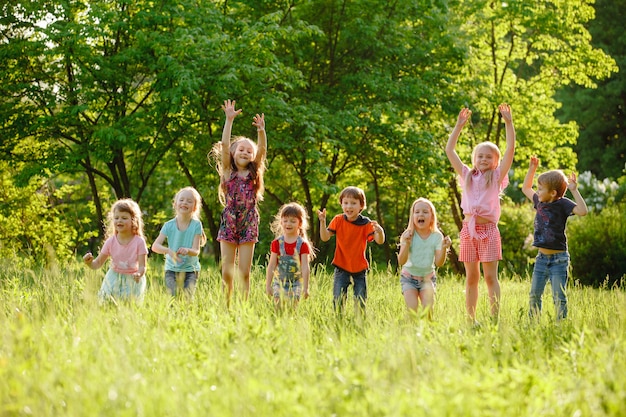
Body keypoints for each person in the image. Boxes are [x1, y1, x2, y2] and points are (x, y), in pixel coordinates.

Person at [445, 104, 515, 323]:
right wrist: (458, 126)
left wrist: (508, 123)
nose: (483, 160)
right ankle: (470, 319)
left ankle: (494, 318)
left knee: (490, 277)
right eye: (480, 156)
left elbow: (511, 151)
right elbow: (450, 151)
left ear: (495, 161)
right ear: (475, 158)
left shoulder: (495, 177)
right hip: (468, 231)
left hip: (488, 231)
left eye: (488, 157)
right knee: (471, 278)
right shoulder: (466, 175)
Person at [210, 99, 266, 305]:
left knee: (244, 272)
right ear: (234, 153)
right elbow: (224, 145)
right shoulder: (228, 171)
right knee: (227, 271)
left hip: (249, 221)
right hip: (229, 221)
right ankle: (227, 304)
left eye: (248, 151)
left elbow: (262, 150)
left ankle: (243, 306)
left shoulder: (254, 174)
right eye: (241, 149)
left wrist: (261, 131)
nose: (245, 152)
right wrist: (229, 119)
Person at [522, 156, 588, 320]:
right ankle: (533, 324)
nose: (537, 191)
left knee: (559, 296)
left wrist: (573, 189)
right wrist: (532, 169)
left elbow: (583, 211)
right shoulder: (539, 202)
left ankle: (560, 325)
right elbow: (526, 188)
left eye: (541, 188)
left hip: (559, 259)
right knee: (534, 295)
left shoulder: (563, 204)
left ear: (552, 192)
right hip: (541, 259)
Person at [318, 186, 385, 316]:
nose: (349, 206)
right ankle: (338, 321)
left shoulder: (366, 223)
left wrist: (380, 232)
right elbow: (325, 237)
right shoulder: (338, 220)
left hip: (359, 268)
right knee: (338, 298)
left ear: (361, 206)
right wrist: (322, 222)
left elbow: (379, 240)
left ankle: (359, 321)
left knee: (360, 299)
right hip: (341, 266)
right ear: (341, 204)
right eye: (346, 203)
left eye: (353, 203)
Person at [83, 199, 148, 304]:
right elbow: (97, 263)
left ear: (133, 220)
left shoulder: (139, 242)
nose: (119, 221)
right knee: (107, 303)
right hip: (113, 278)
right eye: (116, 218)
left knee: (128, 305)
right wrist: (89, 262)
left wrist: (139, 274)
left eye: (124, 218)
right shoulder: (110, 242)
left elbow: (142, 266)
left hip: (132, 280)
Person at [397, 198, 452, 318]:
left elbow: (439, 263)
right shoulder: (408, 235)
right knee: (412, 311)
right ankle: (411, 334)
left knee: (428, 313)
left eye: (425, 212)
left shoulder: (437, 237)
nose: (420, 214)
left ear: (432, 217)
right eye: (417, 212)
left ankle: (427, 333)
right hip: (409, 278)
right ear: (413, 217)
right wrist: (406, 243)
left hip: (427, 279)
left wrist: (443, 248)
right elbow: (401, 261)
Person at [152, 187, 206, 301]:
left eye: (189, 201)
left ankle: (185, 318)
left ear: (195, 207)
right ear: (175, 204)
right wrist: (168, 251)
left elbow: (196, 251)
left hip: (191, 270)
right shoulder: (168, 225)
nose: (184, 203)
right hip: (171, 269)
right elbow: (155, 246)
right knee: (173, 299)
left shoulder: (196, 225)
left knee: (187, 300)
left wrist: (188, 250)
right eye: (181, 200)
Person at [265, 202, 315, 309]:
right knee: (278, 309)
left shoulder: (302, 244)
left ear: (300, 224)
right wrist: (268, 285)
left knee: (292, 310)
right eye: (285, 220)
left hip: (296, 283)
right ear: (281, 222)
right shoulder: (277, 243)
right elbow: (272, 265)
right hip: (279, 282)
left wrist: (306, 288)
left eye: (293, 221)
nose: (288, 224)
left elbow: (305, 267)